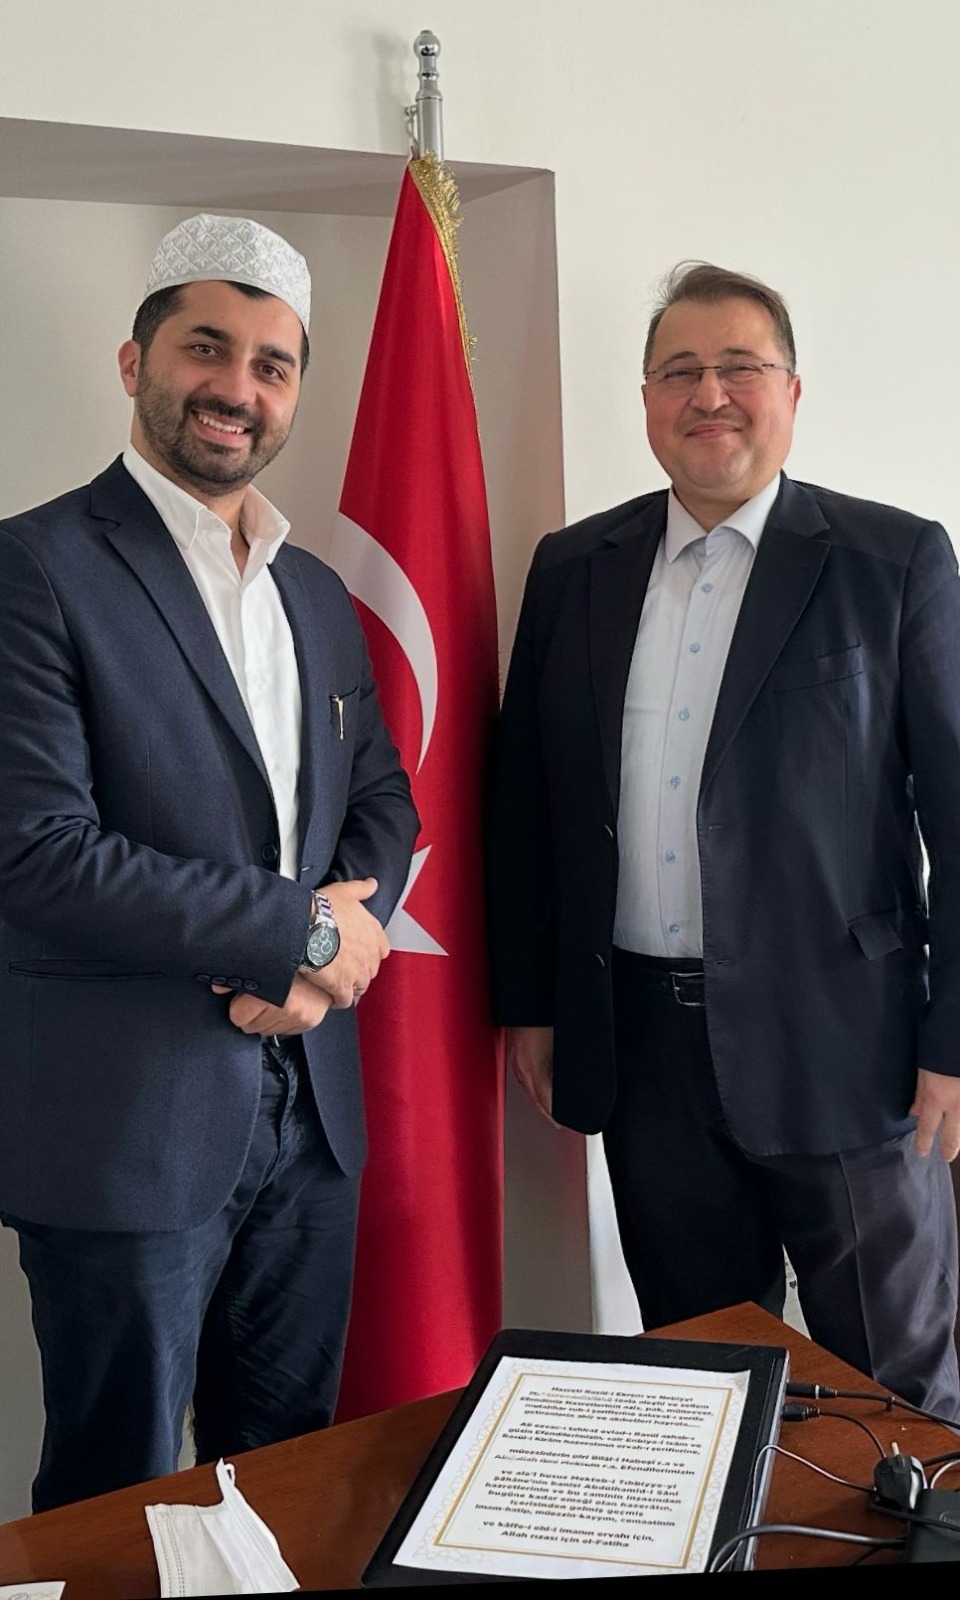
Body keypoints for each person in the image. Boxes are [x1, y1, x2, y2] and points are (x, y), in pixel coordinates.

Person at [486, 260, 960, 1419]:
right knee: (702, 1383)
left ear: (792, 390)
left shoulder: (893, 560)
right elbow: (528, 803)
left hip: (851, 1050)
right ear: (648, 399)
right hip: (643, 1047)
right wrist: (533, 1001)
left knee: (896, 1388)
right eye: (680, 371)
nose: (710, 394)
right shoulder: (572, 568)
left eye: (740, 367)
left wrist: (953, 1039)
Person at [0, 213, 419, 1511]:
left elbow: (382, 803)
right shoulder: (33, 569)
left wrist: (316, 971)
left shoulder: (316, 593)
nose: (238, 386)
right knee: (119, 1496)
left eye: (272, 364)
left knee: (288, 1474)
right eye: (206, 348)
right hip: (128, 1122)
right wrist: (302, 937)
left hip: (312, 1118)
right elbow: (40, 857)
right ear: (136, 362)